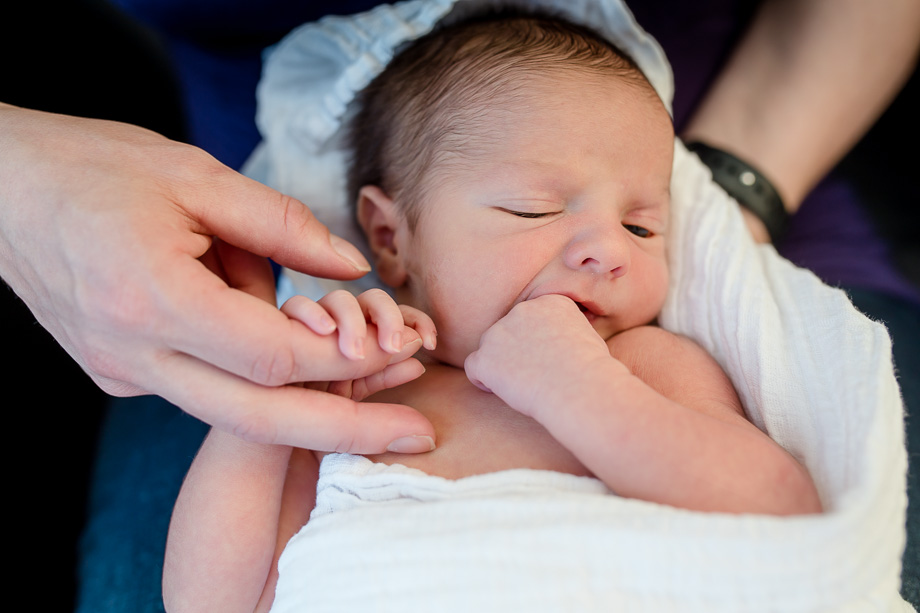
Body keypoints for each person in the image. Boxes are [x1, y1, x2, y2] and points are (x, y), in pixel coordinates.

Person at [0, 0, 915, 610]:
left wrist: (576, 385)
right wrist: (259, 419)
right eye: (533, 208)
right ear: (391, 240)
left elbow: (780, 507)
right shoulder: (360, 399)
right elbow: (216, 599)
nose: (605, 245)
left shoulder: (645, 366)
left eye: (644, 225)